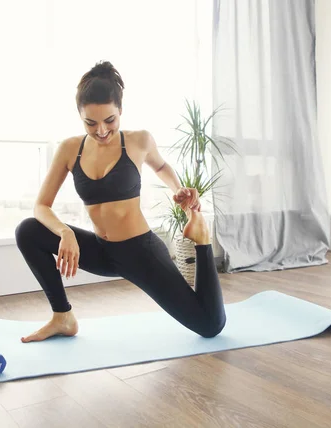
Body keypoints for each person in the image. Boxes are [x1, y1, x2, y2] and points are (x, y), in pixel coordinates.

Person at [15, 61, 226, 343]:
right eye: (91, 123)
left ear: (120, 112)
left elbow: (161, 167)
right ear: (80, 116)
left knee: (210, 326)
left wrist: (178, 189)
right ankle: (62, 316)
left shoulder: (139, 141)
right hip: (103, 252)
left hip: (141, 253)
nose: (101, 130)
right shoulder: (70, 149)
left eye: (109, 121)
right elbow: (41, 205)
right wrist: (65, 232)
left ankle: (202, 240)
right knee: (28, 230)